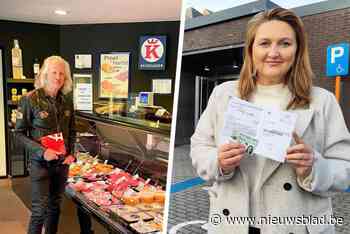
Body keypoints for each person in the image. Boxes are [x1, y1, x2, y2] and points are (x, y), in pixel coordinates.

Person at [191, 8, 350, 234]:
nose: (273, 52)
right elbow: (199, 148)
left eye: (284, 43)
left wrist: (312, 166)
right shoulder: (223, 95)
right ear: (251, 49)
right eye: (264, 43)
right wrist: (219, 161)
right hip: (233, 223)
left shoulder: (322, 101)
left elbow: (345, 167)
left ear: (298, 50)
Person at [15, 56, 77, 234]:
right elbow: (18, 134)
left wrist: (71, 153)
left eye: (62, 74)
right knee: (39, 212)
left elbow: (72, 130)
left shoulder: (66, 101)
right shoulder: (30, 99)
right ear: (45, 74)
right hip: (40, 164)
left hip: (61, 165)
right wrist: (42, 152)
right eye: (54, 72)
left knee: (55, 208)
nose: (58, 77)